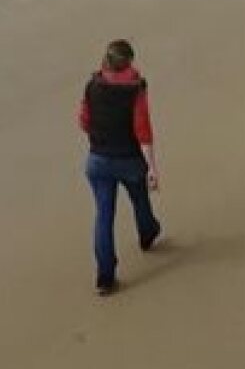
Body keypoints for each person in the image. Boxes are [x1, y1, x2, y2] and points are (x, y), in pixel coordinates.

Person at [78, 39, 162, 296]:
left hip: (97, 161)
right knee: (140, 199)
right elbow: (142, 130)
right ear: (129, 63)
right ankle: (147, 233)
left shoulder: (92, 86)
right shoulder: (136, 89)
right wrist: (152, 168)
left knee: (104, 215)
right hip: (128, 160)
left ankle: (105, 277)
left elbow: (84, 121)